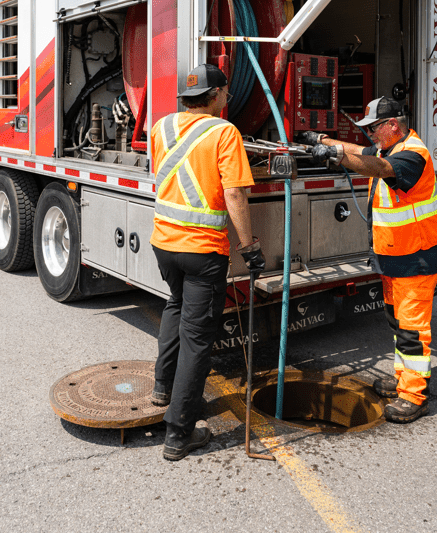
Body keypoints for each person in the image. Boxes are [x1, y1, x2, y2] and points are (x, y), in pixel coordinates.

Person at [301, 96, 437, 424]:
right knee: (397, 322)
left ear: (393, 125)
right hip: (395, 256)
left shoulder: (411, 155)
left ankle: (413, 396)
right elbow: (358, 152)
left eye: (375, 128)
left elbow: (379, 168)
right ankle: (403, 380)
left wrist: (336, 158)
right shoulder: (389, 147)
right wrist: (323, 141)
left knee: (411, 329)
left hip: (416, 259)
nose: (371, 135)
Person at [149, 63, 266, 460]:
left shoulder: (160, 128)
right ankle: (179, 434)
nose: (228, 99)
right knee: (198, 340)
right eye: (226, 93)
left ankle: (161, 387)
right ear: (214, 97)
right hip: (202, 250)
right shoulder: (223, 131)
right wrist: (249, 247)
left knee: (174, 305)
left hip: (164, 243)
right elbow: (234, 194)